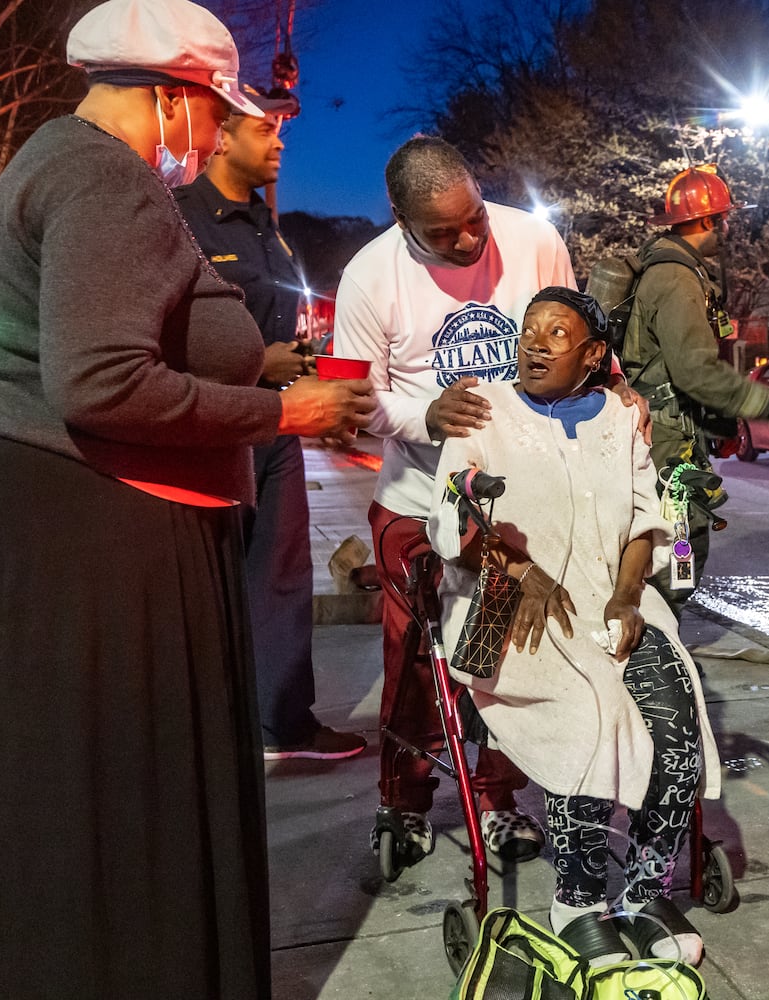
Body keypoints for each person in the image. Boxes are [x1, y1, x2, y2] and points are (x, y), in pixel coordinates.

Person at [0, 1, 372, 996]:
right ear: (171, 99)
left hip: (71, 515)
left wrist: (257, 364)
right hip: (100, 531)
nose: (216, 130)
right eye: (212, 107)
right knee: (126, 794)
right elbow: (102, 381)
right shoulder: (109, 179)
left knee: (75, 798)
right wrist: (285, 412)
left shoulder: (57, 158)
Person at [427, 287, 719, 967]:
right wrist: (521, 570)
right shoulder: (483, 410)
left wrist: (625, 598)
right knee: (589, 720)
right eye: (529, 330)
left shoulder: (619, 417)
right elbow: (449, 520)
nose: (534, 343)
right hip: (509, 610)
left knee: (676, 730)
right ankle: (578, 901)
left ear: (592, 354)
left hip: (612, 601)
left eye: (556, 334)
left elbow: (647, 520)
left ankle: (646, 894)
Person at [333, 136, 586, 866]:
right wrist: (423, 417)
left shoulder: (534, 241)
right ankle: (403, 802)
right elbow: (349, 397)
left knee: (502, 654)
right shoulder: (367, 275)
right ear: (400, 217)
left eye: (473, 217)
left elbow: (576, 345)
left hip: (514, 504)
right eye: (444, 233)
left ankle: (496, 798)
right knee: (415, 658)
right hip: (415, 499)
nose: (470, 238)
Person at [175, 84, 366, 761]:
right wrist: (260, 360)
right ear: (222, 137)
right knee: (208, 580)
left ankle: (281, 726)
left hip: (278, 426)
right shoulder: (182, 219)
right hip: (218, 426)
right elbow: (172, 334)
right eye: (264, 131)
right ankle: (204, 726)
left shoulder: (266, 225)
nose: (279, 142)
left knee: (281, 576)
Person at [620, 165, 769, 617]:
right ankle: (656, 661)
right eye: (722, 218)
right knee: (677, 554)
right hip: (668, 442)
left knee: (666, 552)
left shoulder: (666, 267)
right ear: (704, 222)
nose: (726, 227)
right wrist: (766, 405)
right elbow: (694, 371)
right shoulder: (677, 279)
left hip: (666, 429)